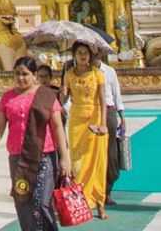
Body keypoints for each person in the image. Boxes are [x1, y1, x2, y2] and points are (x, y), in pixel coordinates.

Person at [0, 55, 71, 231]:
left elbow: (57, 127)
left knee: (40, 202)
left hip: (44, 157)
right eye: (17, 74)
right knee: (23, 202)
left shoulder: (46, 96)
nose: (21, 78)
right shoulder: (7, 97)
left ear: (34, 75)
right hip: (18, 159)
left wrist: (65, 158)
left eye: (25, 74)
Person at [61, 40, 109, 219]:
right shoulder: (68, 75)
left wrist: (103, 124)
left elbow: (103, 101)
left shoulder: (98, 74)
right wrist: (63, 92)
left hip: (95, 122)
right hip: (76, 122)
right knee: (78, 165)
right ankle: (80, 204)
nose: (82, 55)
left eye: (85, 52)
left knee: (97, 164)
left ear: (90, 56)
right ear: (74, 55)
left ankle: (100, 205)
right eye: (79, 52)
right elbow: (64, 101)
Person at [97, 56, 125, 207]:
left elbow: (116, 94)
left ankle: (107, 190)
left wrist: (122, 116)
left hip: (108, 112)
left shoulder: (108, 71)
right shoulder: (77, 71)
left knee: (111, 154)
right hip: (89, 113)